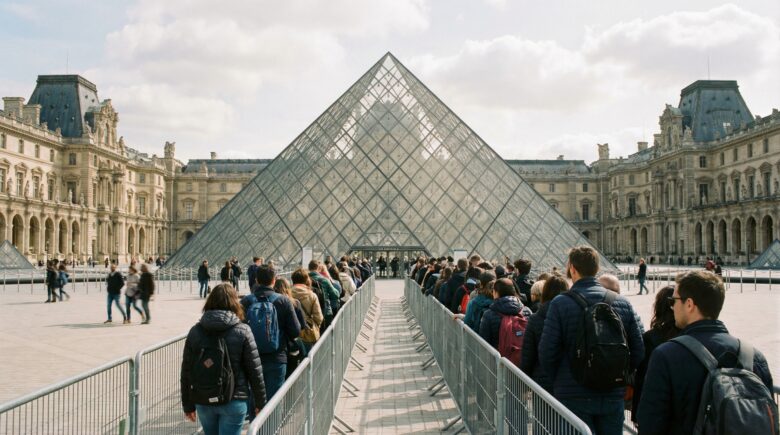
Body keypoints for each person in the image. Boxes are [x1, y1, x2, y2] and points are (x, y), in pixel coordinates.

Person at [636, 271, 775, 434]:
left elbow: (650, 424)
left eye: (673, 301)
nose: (672, 307)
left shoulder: (666, 355)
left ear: (689, 304)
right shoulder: (754, 357)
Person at [539, 246, 644, 435]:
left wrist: (562, 380)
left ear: (572, 268)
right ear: (597, 268)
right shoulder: (622, 303)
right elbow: (638, 350)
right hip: (612, 393)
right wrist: (618, 374)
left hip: (572, 394)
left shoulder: (560, 304)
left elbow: (547, 352)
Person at [181, 284, 267, 434]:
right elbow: (255, 371)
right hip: (234, 399)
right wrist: (260, 403)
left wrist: (187, 405)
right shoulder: (243, 330)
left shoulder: (195, 331)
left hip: (204, 399)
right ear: (235, 302)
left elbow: (186, 371)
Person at [241, 265, 301, 400]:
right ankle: (274, 422)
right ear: (274, 280)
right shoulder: (283, 301)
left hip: (251, 357)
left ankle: (255, 421)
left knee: (254, 398)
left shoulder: (246, 301)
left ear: (256, 280)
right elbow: (295, 331)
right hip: (277, 356)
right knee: (274, 400)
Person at [630, 285, 678, 424]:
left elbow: (642, 377)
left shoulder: (651, 338)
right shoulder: (688, 335)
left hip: (654, 408)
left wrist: (636, 412)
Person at [521, 274, 569, 393]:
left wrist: (523, 385)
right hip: (569, 381)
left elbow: (528, 355)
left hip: (542, 383)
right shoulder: (573, 314)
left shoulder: (535, 318)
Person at [478, 278, 532, 349]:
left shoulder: (489, 315)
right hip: (522, 357)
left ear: (496, 293)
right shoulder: (527, 311)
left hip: (498, 358)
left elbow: (484, 343)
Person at [273, 276, 307, 379]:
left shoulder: (272, 303)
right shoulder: (295, 303)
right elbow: (302, 325)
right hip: (291, 345)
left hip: (276, 345)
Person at [290, 268, 323, 352]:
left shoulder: (287, 294)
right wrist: (316, 326)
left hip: (291, 333)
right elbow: (318, 317)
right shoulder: (312, 295)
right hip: (308, 333)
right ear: (306, 280)